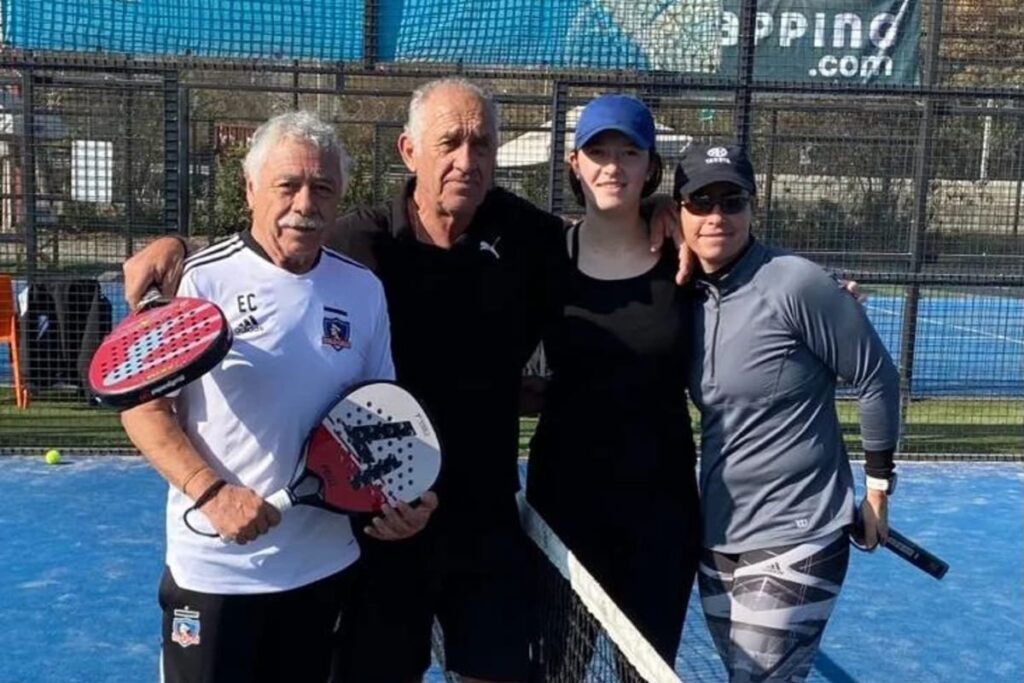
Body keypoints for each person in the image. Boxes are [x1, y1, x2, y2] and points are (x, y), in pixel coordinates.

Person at [122, 78, 685, 683]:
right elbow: (277, 240)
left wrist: (661, 212)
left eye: (482, 144)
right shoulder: (358, 243)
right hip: (374, 530)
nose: (466, 161)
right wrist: (178, 246)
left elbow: (601, 239)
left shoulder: (529, 238)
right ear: (408, 150)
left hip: (485, 523)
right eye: (449, 143)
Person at [120, 111, 436, 683]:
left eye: (323, 187)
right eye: (287, 185)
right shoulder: (196, 282)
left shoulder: (362, 290)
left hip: (323, 569)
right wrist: (212, 494)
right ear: (250, 188)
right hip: (216, 572)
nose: (305, 203)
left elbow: (378, 416)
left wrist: (402, 501)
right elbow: (143, 409)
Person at [675, 143, 900, 682]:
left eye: (732, 201)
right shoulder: (682, 294)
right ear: (677, 209)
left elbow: (877, 377)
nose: (716, 216)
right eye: (700, 201)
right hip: (718, 535)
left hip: (798, 534)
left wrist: (876, 494)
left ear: (754, 208)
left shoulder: (795, 281)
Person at [524, 94, 701, 672]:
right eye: (598, 151)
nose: (613, 166)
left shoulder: (685, 256)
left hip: (660, 513)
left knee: (644, 671)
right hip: (564, 508)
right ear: (574, 163)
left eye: (630, 152)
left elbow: (762, 294)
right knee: (557, 670)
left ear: (651, 167)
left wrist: (832, 299)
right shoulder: (544, 258)